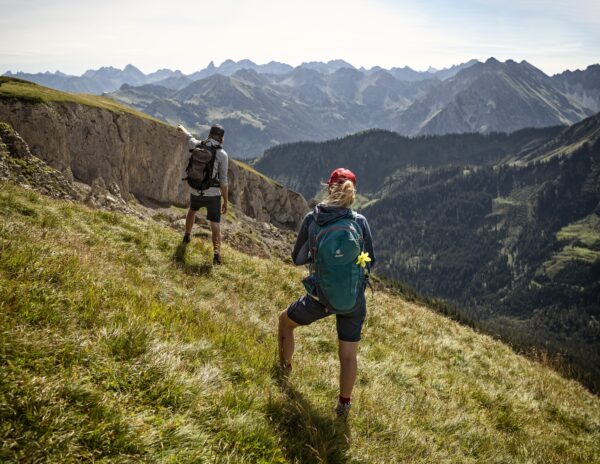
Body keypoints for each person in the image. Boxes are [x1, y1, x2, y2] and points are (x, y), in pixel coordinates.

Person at [277, 168, 376, 419]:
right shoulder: (359, 221)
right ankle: (344, 405)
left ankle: (285, 370)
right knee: (348, 355)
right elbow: (370, 261)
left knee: (284, 322)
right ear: (352, 192)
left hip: (320, 297)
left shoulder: (313, 219)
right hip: (352, 298)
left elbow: (297, 258)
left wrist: (319, 255)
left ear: (329, 188)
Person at [177, 123, 229, 265]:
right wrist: (225, 201)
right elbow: (224, 181)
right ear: (221, 138)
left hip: (196, 188)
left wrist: (182, 129)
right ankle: (217, 255)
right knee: (215, 224)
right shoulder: (222, 155)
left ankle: (187, 236)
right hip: (212, 194)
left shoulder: (198, 145)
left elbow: (189, 137)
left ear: (210, 134)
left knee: (192, 211)